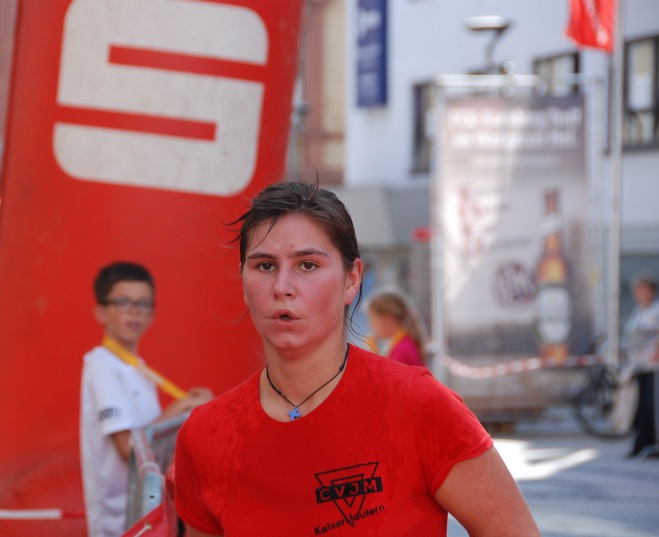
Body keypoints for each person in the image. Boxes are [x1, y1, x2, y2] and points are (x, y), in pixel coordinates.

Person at [174, 182, 539, 536]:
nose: (282, 287)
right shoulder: (206, 434)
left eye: (307, 265)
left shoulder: (418, 406)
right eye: (265, 266)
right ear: (243, 282)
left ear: (352, 279)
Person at [80, 262, 213, 537]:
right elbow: (128, 448)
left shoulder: (138, 367)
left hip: (146, 515)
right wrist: (181, 407)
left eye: (143, 304)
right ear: (100, 312)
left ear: (152, 314)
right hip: (118, 523)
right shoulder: (101, 364)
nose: (134, 311)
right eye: (123, 302)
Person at [623, 273, 659, 458]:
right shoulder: (638, 310)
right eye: (638, 290)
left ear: (652, 291)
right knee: (640, 405)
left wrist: (658, 350)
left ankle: (653, 442)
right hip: (639, 364)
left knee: (652, 405)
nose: (640, 293)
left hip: (655, 366)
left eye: (644, 289)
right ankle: (640, 443)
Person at [365, 286, 427, 367]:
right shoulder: (402, 343)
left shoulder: (402, 350)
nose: (369, 324)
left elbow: (383, 374)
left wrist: (372, 353)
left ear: (387, 318)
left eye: (372, 318)